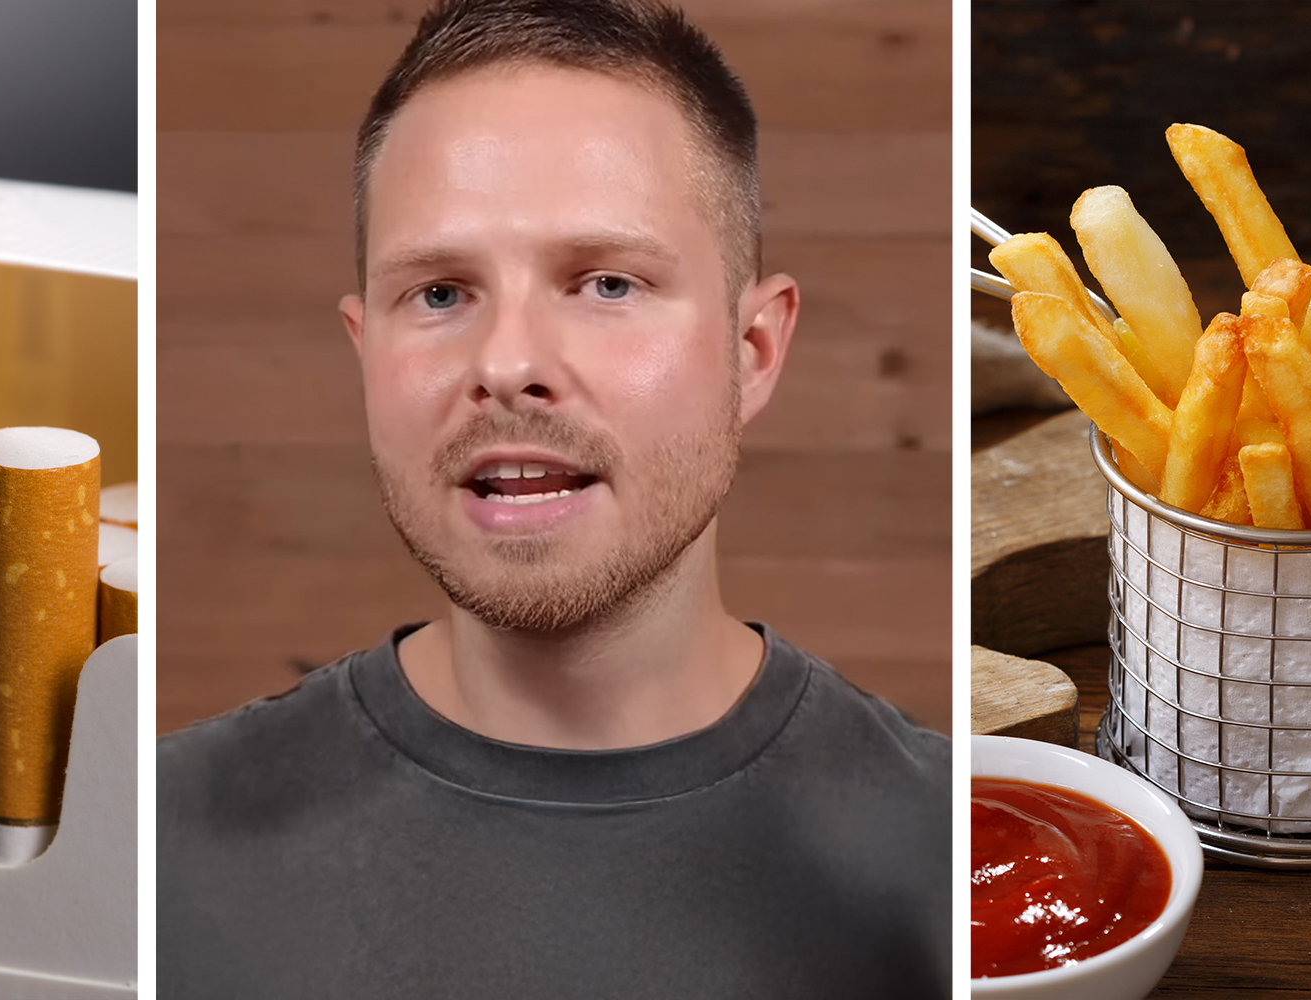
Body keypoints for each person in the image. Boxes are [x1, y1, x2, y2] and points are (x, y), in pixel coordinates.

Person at [158, 1, 949, 995]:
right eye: (440, 293)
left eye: (606, 283)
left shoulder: (945, 857)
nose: (507, 363)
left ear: (752, 352)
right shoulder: (156, 853)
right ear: (366, 355)